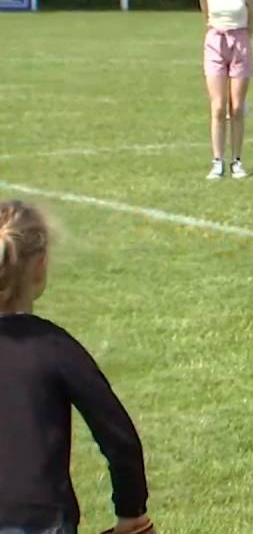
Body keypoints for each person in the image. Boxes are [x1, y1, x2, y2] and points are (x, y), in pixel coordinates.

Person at [0, 200, 153, 534]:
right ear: (40, 265)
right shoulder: (53, 346)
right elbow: (119, 438)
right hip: (39, 521)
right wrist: (132, 515)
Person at [198, 0, 253, 180]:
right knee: (219, 107)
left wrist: (241, 40)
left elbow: (251, 20)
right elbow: (206, 16)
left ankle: (237, 161)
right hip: (215, 43)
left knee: (237, 107)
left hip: (240, 43)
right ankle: (217, 160)